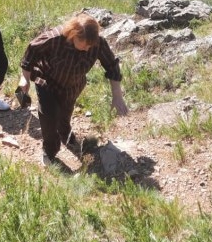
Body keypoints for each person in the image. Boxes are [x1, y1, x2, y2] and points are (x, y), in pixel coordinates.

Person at [16, 13, 129, 167]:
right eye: (84, 44)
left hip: (73, 86)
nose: (87, 48)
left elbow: (112, 66)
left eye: (90, 45)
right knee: (48, 117)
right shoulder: (54, 38)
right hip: (47, 81)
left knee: (64, 115)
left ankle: (65, 134)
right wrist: (25, 78)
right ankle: (49, 152)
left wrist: (117, 96)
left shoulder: (98, 44)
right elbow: (32, 50)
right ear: (73, 34)